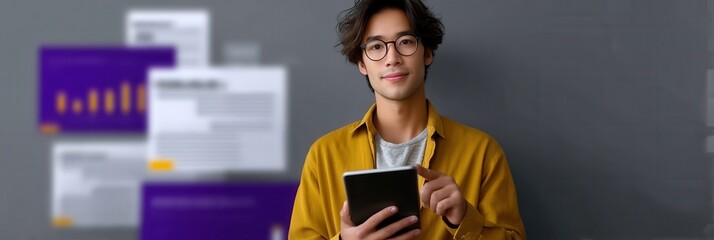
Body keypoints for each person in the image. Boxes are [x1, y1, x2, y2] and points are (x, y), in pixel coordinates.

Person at [289, 0, 526, 239]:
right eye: (375, 46)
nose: (392, 58)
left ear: (428, 53)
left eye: (405, 42)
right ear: (362, 62)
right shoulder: (323, 156)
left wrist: (465, 219)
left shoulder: (483, 153)